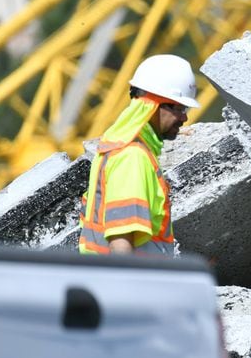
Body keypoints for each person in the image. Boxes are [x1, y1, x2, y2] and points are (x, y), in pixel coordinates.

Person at [79, 54, 199, 256]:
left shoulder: (121, 148)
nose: (185, 117)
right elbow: (121, 243)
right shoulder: (132, 157)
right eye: (180, 108)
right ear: (153, 105)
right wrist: (130, 287)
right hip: (124, 284)